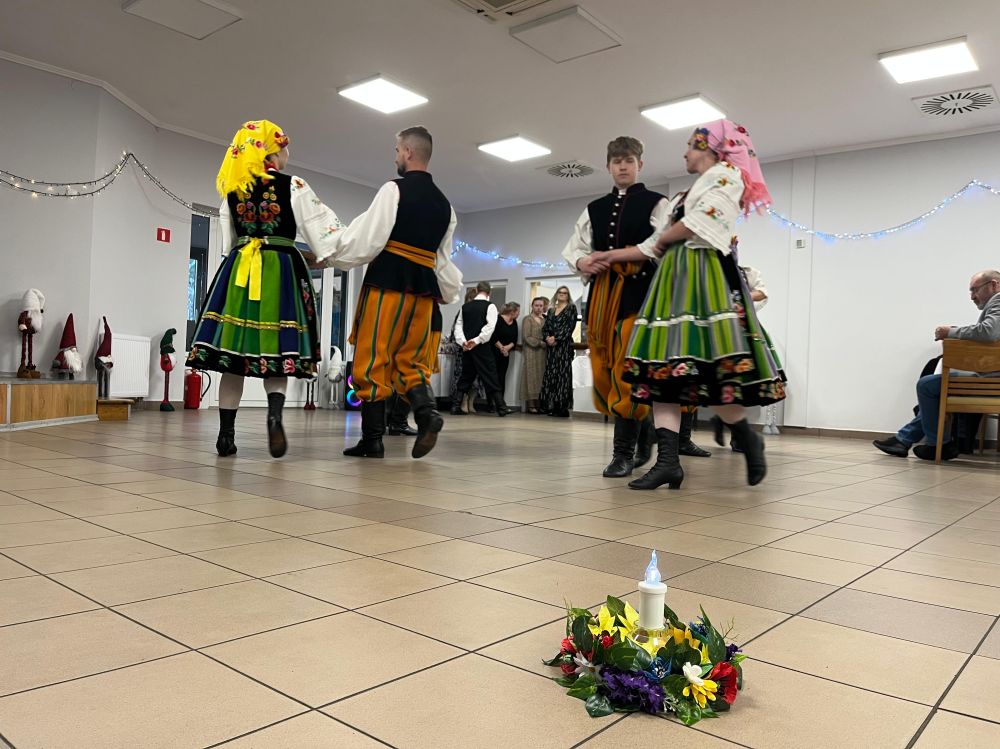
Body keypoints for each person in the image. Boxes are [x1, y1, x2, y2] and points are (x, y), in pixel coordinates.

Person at [606, 120, 786, 489]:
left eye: (690, 145)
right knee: (662, 374)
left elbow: (702, 222)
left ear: (708, 148)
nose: (685, 153)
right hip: (672, 283)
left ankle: (746, 436)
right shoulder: (683, 196)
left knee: (710, 374)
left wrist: (664, 239)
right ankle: (668, 463)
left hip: (703, 279)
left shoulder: (727, 175)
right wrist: (606, 256)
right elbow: (653, 242)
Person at [188, 120, 342, 459]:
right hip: (280, 269)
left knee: (233, 361)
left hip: (240, 272)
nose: (288, 154)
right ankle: (274, 417)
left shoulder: (233, 190)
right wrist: (332, 254)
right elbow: (323, 233)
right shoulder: (294, 185)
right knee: (279, 355)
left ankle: (225, 437)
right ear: (273, 151)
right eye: (285, 147)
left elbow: (228, 242)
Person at [311, 126, 462, 460]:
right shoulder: (446, 206)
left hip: (388, 285)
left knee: (373, 358)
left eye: (397, 151)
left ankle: (373, 440)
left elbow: (369, 239)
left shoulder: (393, 189)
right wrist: (449, 292)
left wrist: (333, 257)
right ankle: (427, 414)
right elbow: (443, 260)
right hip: (425, 294)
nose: (395, 157)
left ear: (407, 152)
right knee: (411, 361)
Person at [563, 136, 680, 475]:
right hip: (602, 298)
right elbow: (575, 248)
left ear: (640, 164)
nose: (623, 166)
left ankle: (622, 454)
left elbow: (663, 243)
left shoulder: (657, 203)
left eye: (629, 160)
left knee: (626, 372)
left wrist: (622, 255)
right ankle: (645, 433)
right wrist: (583, 261)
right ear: (608, 166)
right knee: (602, 369)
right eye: (617, 161)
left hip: (639, 296)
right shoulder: (594, 208)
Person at [873, 269, 1000, 461]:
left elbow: (988, 332)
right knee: (936, 386)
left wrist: (950, 332)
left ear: (994, 285)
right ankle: (903, 440)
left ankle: (939, 444)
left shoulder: (998, 301)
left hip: (991, 379)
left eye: (975, 290)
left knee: (927, 385)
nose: (972, 296)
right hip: (991, 376)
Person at [710, 264, 770, 452]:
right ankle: (725, 421)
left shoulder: (745, 271)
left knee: (742, 382)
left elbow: (762, 292)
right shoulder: (709, 270)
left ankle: (732, 430)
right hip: (718, 331)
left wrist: (740, 297)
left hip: (744, 331)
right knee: (724, 381)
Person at [451, 281, 507, 416]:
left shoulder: (465, 307)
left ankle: (455, 405)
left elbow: (458, 327)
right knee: (490, 375)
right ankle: (501, 408)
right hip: (482, 347)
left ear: (476, 290)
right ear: (489, 293)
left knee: (466, 376)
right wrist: (477, 340)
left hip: (467, 348)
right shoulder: (490, 306)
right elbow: (490, 327)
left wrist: (463, 342)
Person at [539, 285, 578, 417]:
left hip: (563, 347)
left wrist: (556, 338)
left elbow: (569, 327)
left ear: (568, 296)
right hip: (551, 348)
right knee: (551, 376)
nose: (562, 294)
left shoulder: (571, 308)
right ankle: (553, 406)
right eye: (560, 292)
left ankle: (563, 408)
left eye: (565, 293)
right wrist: (547, 338)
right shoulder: (551, 311)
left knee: (563, 376)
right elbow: (545, 328)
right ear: (556, 294)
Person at [521, 297, 548, 413]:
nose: (538, 308)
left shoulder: (545, 320)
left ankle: (539, 404)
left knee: (541, 378)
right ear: (532, 306)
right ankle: (531, 405)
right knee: (531, 376)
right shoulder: (528, 319)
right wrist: (539, 343)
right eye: (536, 305)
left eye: (541, 306)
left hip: (543, 352)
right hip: (531, 351)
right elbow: (526, 337)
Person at [491, 302, 520, 403]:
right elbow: (493, 336)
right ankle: (491, 403)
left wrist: (507, 348)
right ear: (512, 312)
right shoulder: (498, 319)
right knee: (493, 378)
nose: (518, 314)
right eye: (518, 312)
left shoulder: (514, 322)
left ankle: (500, 403)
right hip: (494, 352)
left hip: (505, 354)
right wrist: (502, 348)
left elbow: (514, 339)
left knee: (501, 377)